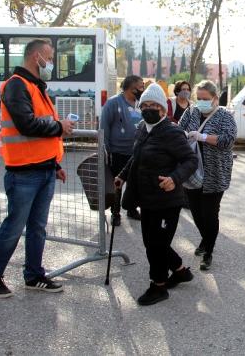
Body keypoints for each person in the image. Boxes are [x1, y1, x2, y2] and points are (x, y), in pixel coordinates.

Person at [0, 39, 75, 298]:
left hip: (43, 169)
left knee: (37, 227)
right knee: (14, 226)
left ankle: (34, 275)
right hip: (23, 172)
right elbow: (27, 124)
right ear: (37, 57)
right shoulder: (16, 86)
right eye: (50, 58)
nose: (52, 64)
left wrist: (54, 164)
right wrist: (60, 127)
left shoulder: (36, 86)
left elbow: (39, 129)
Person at [116, 83, 198, 306]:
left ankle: (158, 286)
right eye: (145, 105)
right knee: (151, 241)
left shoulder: (172, 132)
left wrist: (175, 178)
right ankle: (180, 271)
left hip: (167, 200)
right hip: (147, 197)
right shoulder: (143, 127)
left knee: (156, 245)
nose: (148, 109)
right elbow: (136, 156)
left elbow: (191, 160)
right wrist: (122, 175)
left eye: (154, 105)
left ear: (163, 109)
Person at [179, 80, 237, 270]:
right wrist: (186, 135)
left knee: (210, 214)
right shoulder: (191, 111)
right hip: (193, 171)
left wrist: (203, 137)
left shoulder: (225, 116)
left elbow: (228, 140)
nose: (202, 102)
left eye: (206, 99)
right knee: (196, 212)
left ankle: (209, 251)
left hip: (215, 172)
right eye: (199, 98)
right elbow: (180, 131)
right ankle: (205, 239)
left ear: (215, 98)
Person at [100, 75, 144, 224]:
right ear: (131, 88)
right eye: (140, 86)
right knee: (118, 183)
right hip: (118, 151)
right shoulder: (113, 103)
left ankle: (132, 209)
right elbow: (104, 127)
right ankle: (115, 212)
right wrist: (105, 150)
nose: (142, 89)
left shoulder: (141, 103)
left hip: (136, 152)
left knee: (135, 182)